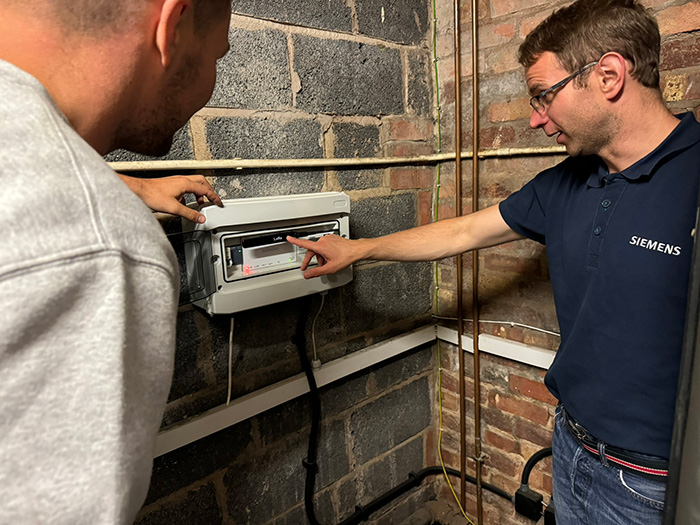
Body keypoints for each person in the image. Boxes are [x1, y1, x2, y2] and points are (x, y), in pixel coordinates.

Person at [288, 0, 700, 523]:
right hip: (571, 446)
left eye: (544, 96)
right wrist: (358, 250)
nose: (535, 119)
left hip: (654, 482)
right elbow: (462, 231)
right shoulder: (565, 184)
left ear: (609, 75)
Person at [0, 0, 230, 523]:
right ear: (172, 28)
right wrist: (101, 201)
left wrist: (119, 184)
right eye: (216, 55)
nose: (211, 81)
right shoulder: (104, 249)